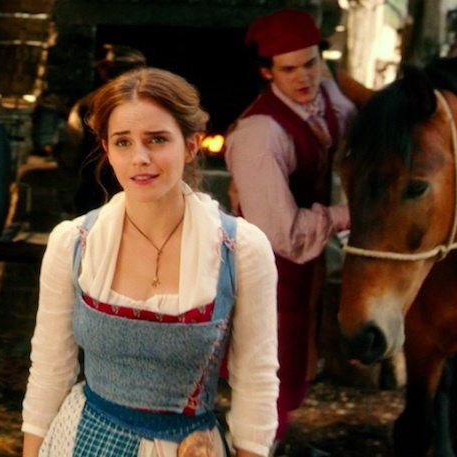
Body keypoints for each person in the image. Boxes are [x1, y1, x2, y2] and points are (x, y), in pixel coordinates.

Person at [21, 67, 279, 457]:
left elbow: (256, 383)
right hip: (82, 442)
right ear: (107, 150)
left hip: (188, 448)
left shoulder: (240, 249)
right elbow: (49, 371)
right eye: (123, 142)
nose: (139, 158)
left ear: (191, 146)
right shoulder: (74, 243)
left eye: (157, 139)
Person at [223, 8, 357, 446]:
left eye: (311, 63)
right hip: (269, 270)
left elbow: (352, 116)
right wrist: (350, 213)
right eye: (289, 69)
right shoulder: (260, 134)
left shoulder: (326, 96)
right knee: (268, 380)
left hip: (306, 271)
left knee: (294, 373)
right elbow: (284, 234)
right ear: (267, 72)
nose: (304, 77)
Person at [60, 44, 147, 214]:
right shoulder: (155, 106)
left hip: (94, 192)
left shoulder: (86, 105)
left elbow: (70, 152)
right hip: (137, 190)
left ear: (105, 72)